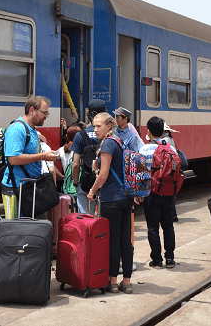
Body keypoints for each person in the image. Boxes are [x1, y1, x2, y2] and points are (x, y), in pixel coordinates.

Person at [86, 112, 135, 293]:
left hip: (112, 198)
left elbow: (104, 175)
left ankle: (113, 281)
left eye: (99, 126)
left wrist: (91, 191)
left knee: (113, 240)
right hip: (125, 196)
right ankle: (127, 281)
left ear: (109, 126)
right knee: (125, 240)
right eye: (94, 125)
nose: (95, 129)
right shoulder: (119, 141)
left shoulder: (107, 144)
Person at [1, 96, 57, 219]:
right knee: (15, 231)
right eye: (44, 112)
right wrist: (43, 156)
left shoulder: (32, 129)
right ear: (32, 110)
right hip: (15, 189)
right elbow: (13, 159)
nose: (46, 116)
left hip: (29, 188)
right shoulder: (17, 129)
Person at [139, 116, 180, 269]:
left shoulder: (144, 149)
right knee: (168, 226)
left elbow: (141, 174)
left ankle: (156, 260)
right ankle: (170, 259)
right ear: (163, 132)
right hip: (169, 192)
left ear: (148, 132)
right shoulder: (171, 148)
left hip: (152, 193)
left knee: (153, 227)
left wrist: (139, 194)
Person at [71, 99, 108, 214]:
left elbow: (76, 164)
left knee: (86, 218)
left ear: (89, 114)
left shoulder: (80, 135)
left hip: (87, 182)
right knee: (104, 219)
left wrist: (76, 183)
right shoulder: (109, 134)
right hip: (106, 183)